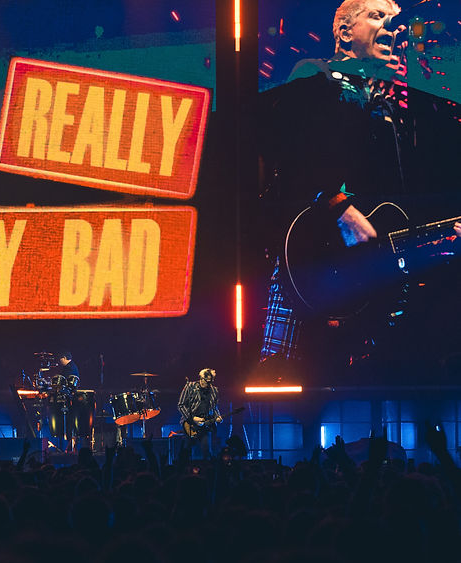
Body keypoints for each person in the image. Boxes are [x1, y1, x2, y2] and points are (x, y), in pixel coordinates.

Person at [256, 0, 461, 382]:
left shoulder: (390, 98)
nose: (391, 28)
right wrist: (338, 207)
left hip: (367, 276)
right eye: (377, 17)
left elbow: (396, 196)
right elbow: (284, 146)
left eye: (393, 22)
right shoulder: (314, 73)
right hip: (312, 246)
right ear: (345, 32)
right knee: (285, 372)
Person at [177, 368, 222, 459]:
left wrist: (217, 416)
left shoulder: (214, 390)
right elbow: (181, 405)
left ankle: (206, 470)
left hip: (205, 425)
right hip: (190, 424)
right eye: (205, 381)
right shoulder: (190, 387)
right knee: (187, 450)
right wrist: (192, 418)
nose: (207, 383)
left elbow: (214, 407)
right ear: (201, 378)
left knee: (206, 451)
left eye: (209, 381)